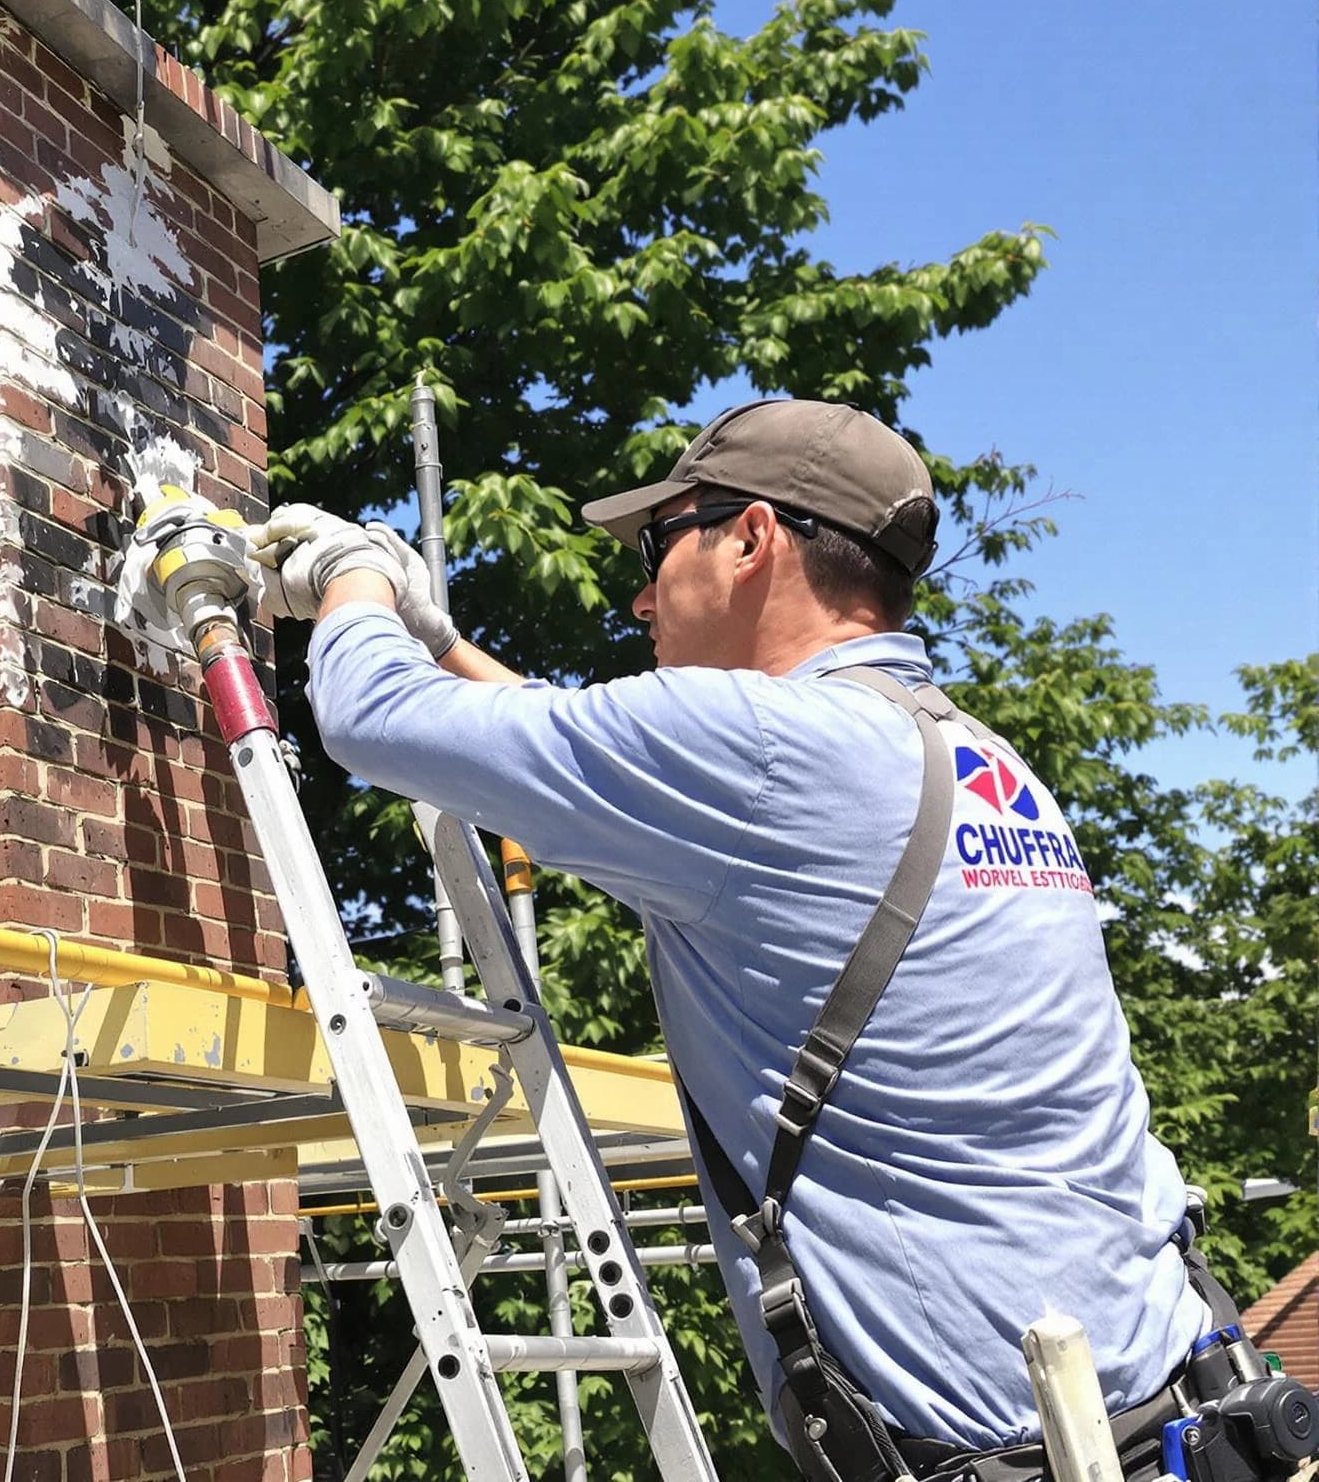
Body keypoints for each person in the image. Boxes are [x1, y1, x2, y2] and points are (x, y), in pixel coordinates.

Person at [257, 398, 1216, 1482]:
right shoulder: (969, 761)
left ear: (752, 537)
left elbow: (368, 714)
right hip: (1178, 1409)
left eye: (659, 544)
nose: (638, 590)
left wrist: (351, 572)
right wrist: (444, 643)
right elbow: (576, 751)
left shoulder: (750, 748)